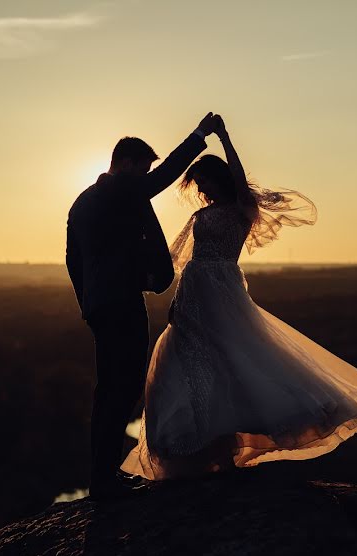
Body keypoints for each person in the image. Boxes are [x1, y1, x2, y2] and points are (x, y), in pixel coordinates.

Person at [121, 115, 357, 480]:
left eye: (205, 182)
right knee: (186, 365)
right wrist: (177, 301)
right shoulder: (204, 213)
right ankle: (208, 453)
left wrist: (224, 137)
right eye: (198, 185)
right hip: (193, 292)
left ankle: (226, 451)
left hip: (222, 292)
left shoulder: (241, 208)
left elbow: (240, 181)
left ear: (219, 179)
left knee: (230, 362)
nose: (202, 191)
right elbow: (184, 262)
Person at [66, 113, 219, 499]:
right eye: (143, 167)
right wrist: (200, 135)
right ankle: (104, 480)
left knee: (109, 391)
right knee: (125, 386)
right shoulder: (122, 189)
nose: (146, 175)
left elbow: (72, 259)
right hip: (120, 304)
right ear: (130, 163)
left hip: (100, 306)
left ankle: (101, 476)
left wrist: (88, 301)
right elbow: (164, 175)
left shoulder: (82, 202)